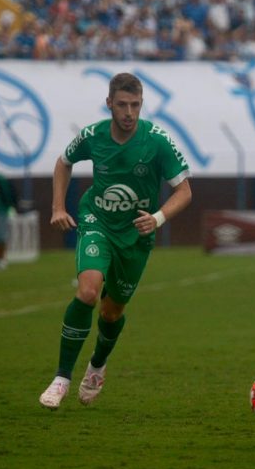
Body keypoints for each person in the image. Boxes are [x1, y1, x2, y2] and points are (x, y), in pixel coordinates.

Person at [39, 72, 192, 410]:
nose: (129, 112)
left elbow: (184, 191)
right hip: (98, 220)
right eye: (122, 105)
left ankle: (96, 366)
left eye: (135, 105)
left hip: (136, 235)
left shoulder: (157, 141)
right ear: (109, 104)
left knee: (111, 311)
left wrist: (158, 218)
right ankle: (61, 377)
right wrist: (57, 207)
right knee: (89, 291)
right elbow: (63, 163)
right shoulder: (92, 135)